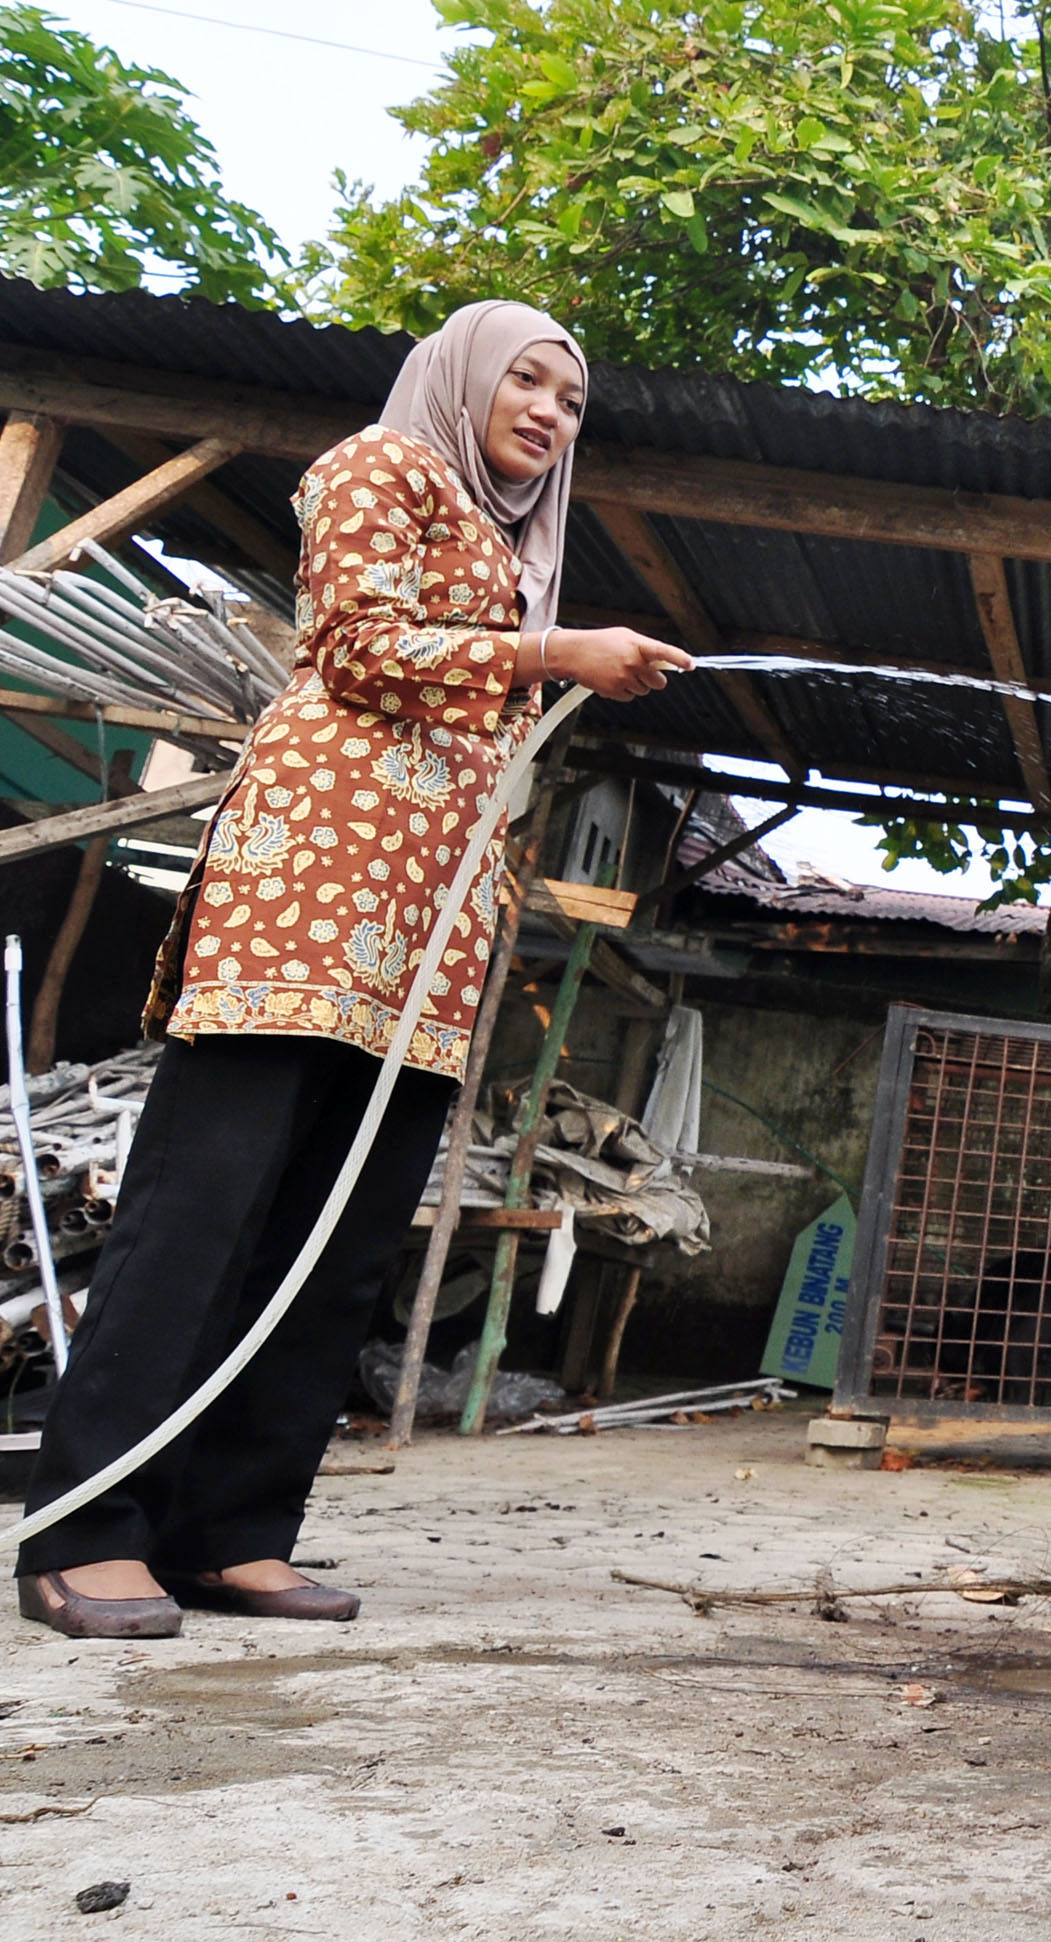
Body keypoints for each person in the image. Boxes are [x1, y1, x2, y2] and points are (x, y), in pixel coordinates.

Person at [14, 301, 693, 1638]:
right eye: (530, 380)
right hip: (307, 903)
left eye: (572, 400)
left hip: (425, 940)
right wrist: (558, 653)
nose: (551, 413)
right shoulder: (378, 467)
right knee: (198, 1219)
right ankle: (82, 1528)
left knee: (333, 1245)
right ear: (462, 377)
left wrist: (540, 646)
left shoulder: (514, 552)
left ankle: (231, 1531)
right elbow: (359, 646)